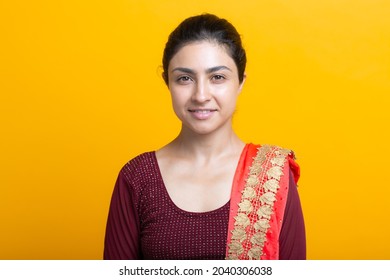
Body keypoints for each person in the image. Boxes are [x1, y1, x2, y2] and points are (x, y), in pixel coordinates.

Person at [103, 13, 305, 260]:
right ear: (168, 83)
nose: (200, 95)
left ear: (240, 82)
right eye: (184, 78)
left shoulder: (273, 174)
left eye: (217, 77)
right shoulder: (137, 178)